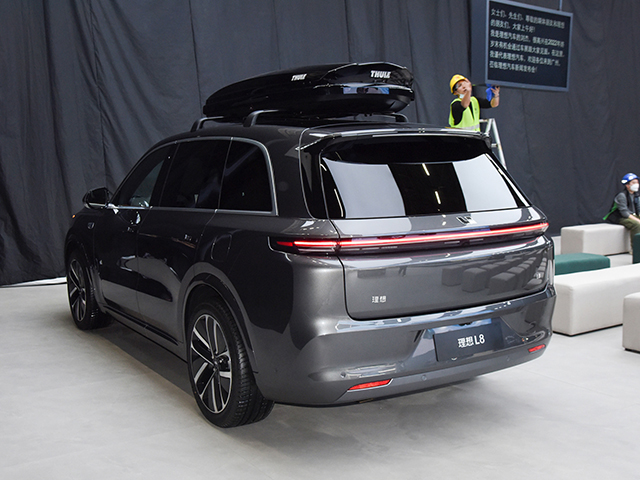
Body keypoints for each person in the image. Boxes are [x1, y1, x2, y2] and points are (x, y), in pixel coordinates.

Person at [604, 173, 640, 245]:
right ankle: (636, 248)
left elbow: (639, 209)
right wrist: (638, 220)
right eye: (633, 183)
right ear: (627, 185)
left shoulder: (636, 196)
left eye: (637, 182)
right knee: (636, 224)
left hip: (631, 215)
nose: (636, 184)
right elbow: (624, 213)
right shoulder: (622, 196)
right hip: (620, 217)